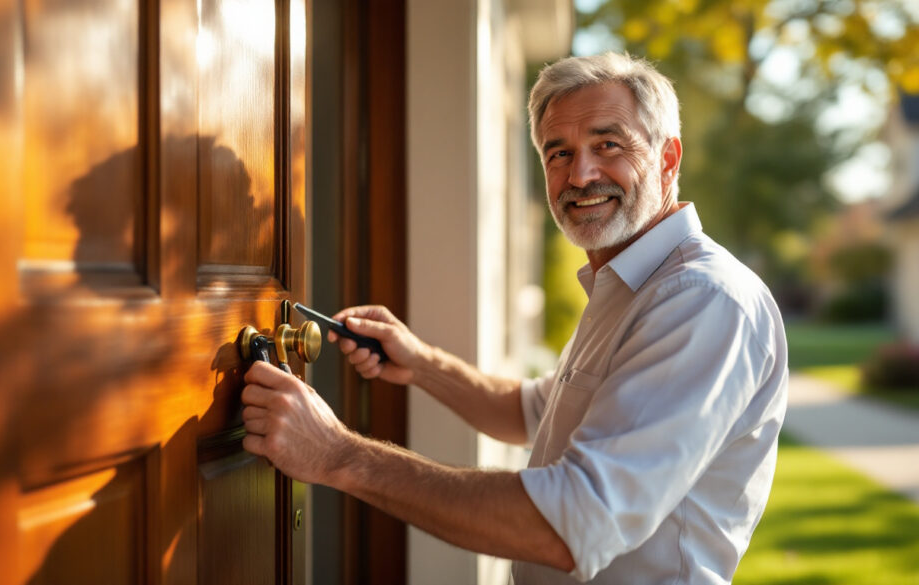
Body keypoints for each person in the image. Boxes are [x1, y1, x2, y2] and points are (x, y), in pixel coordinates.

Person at [241, 52, 788, 584]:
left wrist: (338, 454)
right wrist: (423, 363)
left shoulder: (701, 300)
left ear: (668, 159)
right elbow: (530, 412)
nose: (580, 175)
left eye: (608, 144)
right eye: (559, 153)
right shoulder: (627, 282)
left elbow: (572, 522)